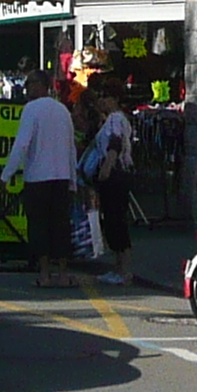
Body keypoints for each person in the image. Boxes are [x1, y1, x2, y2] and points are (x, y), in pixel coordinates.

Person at [2, 71, 80, 288]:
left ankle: (45, 274)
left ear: (42, 85)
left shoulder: (31, 109)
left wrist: (6, 175)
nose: (27, 88)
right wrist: (73, 179)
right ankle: (63, 274)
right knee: (61, 226)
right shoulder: (63, 110)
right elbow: (70, 147)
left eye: (30, 84)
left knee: (38, 227)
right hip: (61, 176)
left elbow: (22, 145)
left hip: (37, 177)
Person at [79, 90, 136, 286]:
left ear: (115, 98)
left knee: (115, 220)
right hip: (117, 174)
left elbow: (115, 143)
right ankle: (118, 268)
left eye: (105, 96)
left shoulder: (115, 119)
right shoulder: (114, 119)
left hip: (114, 174)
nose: (101, 101)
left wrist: (106, 167)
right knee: (113, 221)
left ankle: (124, 270)